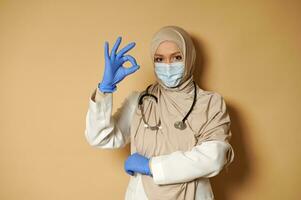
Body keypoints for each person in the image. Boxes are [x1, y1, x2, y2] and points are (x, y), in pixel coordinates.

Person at [84, 25, 235, 200]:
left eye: (177, 57)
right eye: (160, 59)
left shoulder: (210, 103)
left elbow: (214, 157)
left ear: (189, 58)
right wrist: (105, 89)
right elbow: (100, 137)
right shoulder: (140, 101)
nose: (168, 65)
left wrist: (151, 166)